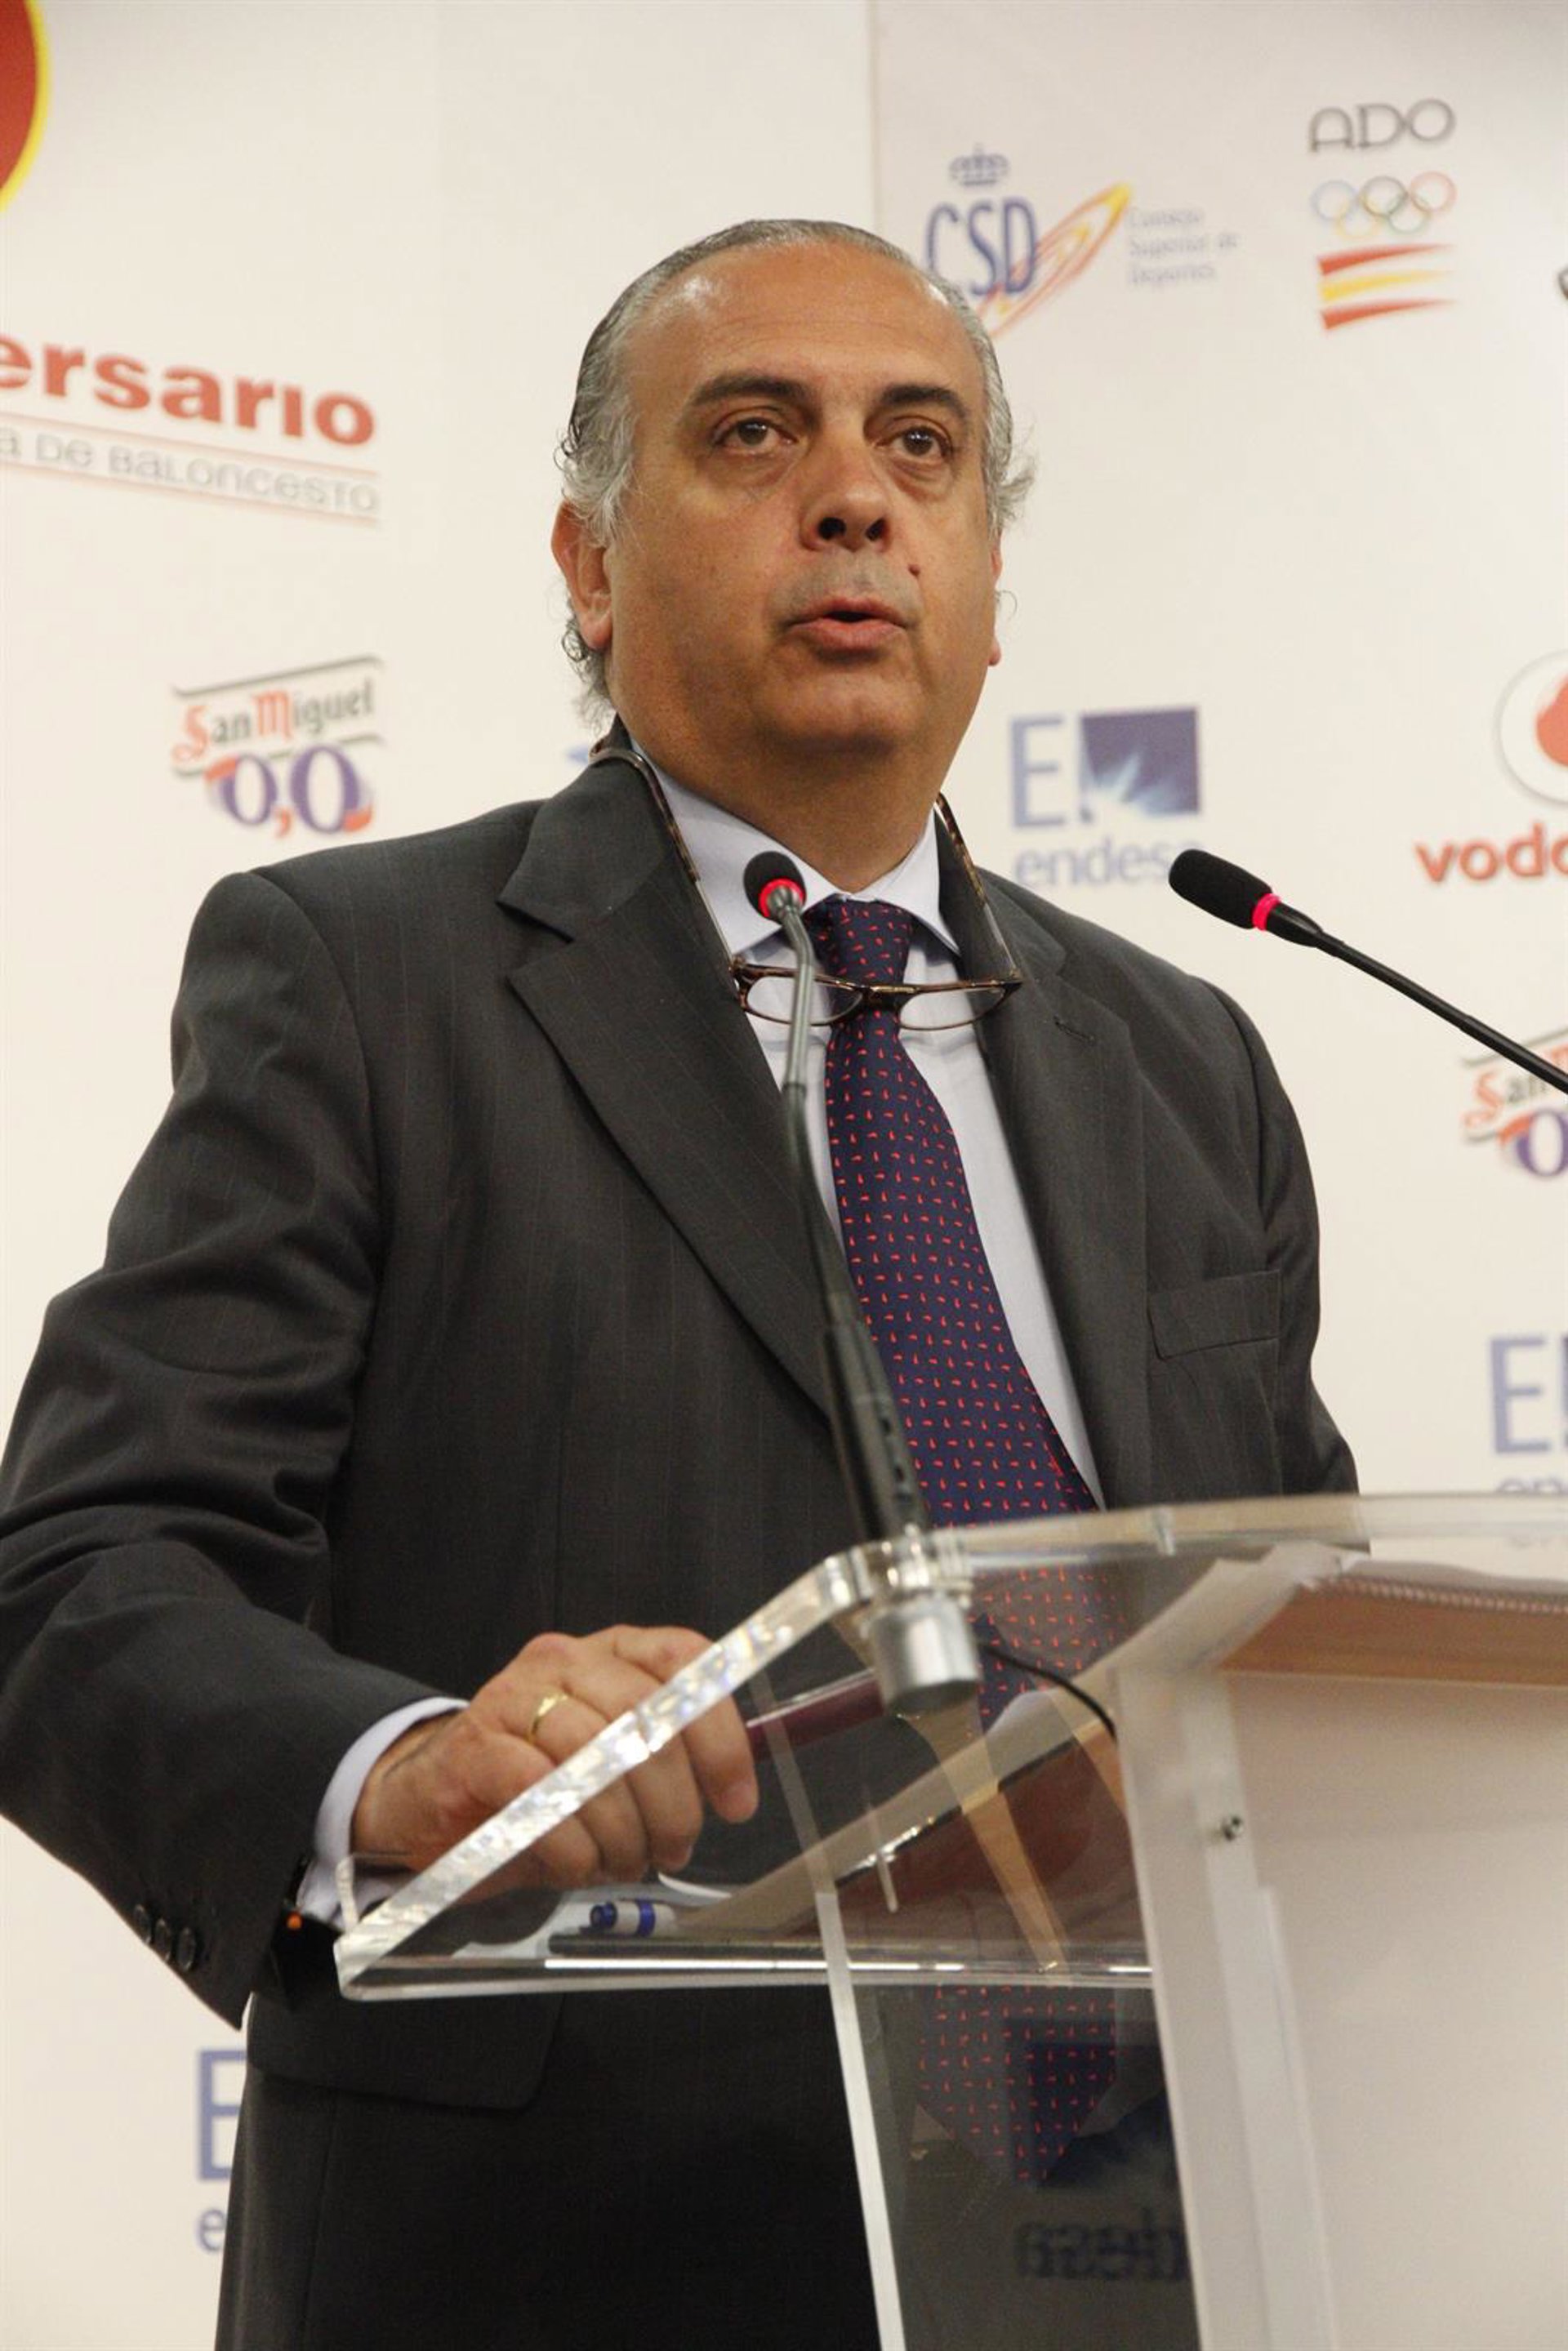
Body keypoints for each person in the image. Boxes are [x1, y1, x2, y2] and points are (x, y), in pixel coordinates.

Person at [0, 220, 1352, 2349]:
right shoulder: (363, 980)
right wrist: (399, 1769)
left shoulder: (1187, 1058)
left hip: (1161, 2247)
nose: (857, 496)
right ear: (590, 565)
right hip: (562, 2259)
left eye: (923, 444)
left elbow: (1295, 1644)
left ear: (992, 580)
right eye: (754, 433)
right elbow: (82, 1577)